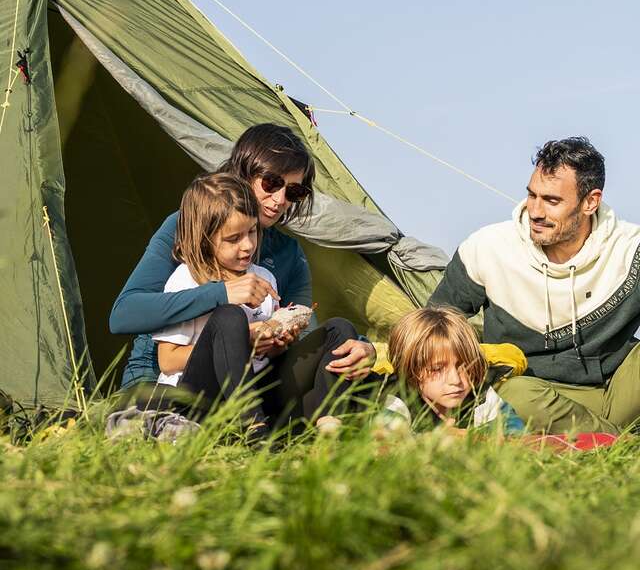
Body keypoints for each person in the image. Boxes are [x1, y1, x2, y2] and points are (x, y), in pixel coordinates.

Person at [110, 123, 375, 394]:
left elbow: (305, 329)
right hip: (159, 380)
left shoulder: (288, 253)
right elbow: (124, 314)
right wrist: (222, 293)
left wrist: (359, 345)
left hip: (247, 382)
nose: (280, 199)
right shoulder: (187, 226)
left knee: (339, 340)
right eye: (271, 182)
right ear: (243, 173)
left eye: (294, 192)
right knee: (228, 320)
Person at [430, 136, 640, 434]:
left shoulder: (632, 248)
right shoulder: (487, 248)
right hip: (534, 394)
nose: (536, 212)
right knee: (514, 395)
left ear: (591, 201)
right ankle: (622, 444)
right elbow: (430, 329)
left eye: (552, 201)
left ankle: (597, 436)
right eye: (532, 196)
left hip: (619, 389)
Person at [151, 172, 357, 434]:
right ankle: (253, 431)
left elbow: (263, 358)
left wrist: (278, 343)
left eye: (252, 232)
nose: (248, 245)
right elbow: (167, 362)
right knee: (229, 317)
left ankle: (330, 429)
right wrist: (241, 340)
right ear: (205, 238)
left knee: (338, 330)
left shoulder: (263, 277)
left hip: (257, 391)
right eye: (234, 239)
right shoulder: (187, 278)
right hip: (198, 400)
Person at [375, 306, 525, 434]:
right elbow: (385, 444)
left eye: (465, 366)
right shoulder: (398, 400)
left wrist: (473, 440)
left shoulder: (480, 395)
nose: (456, 380)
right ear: (410, 370)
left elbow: (517, 438)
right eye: (437, 369)